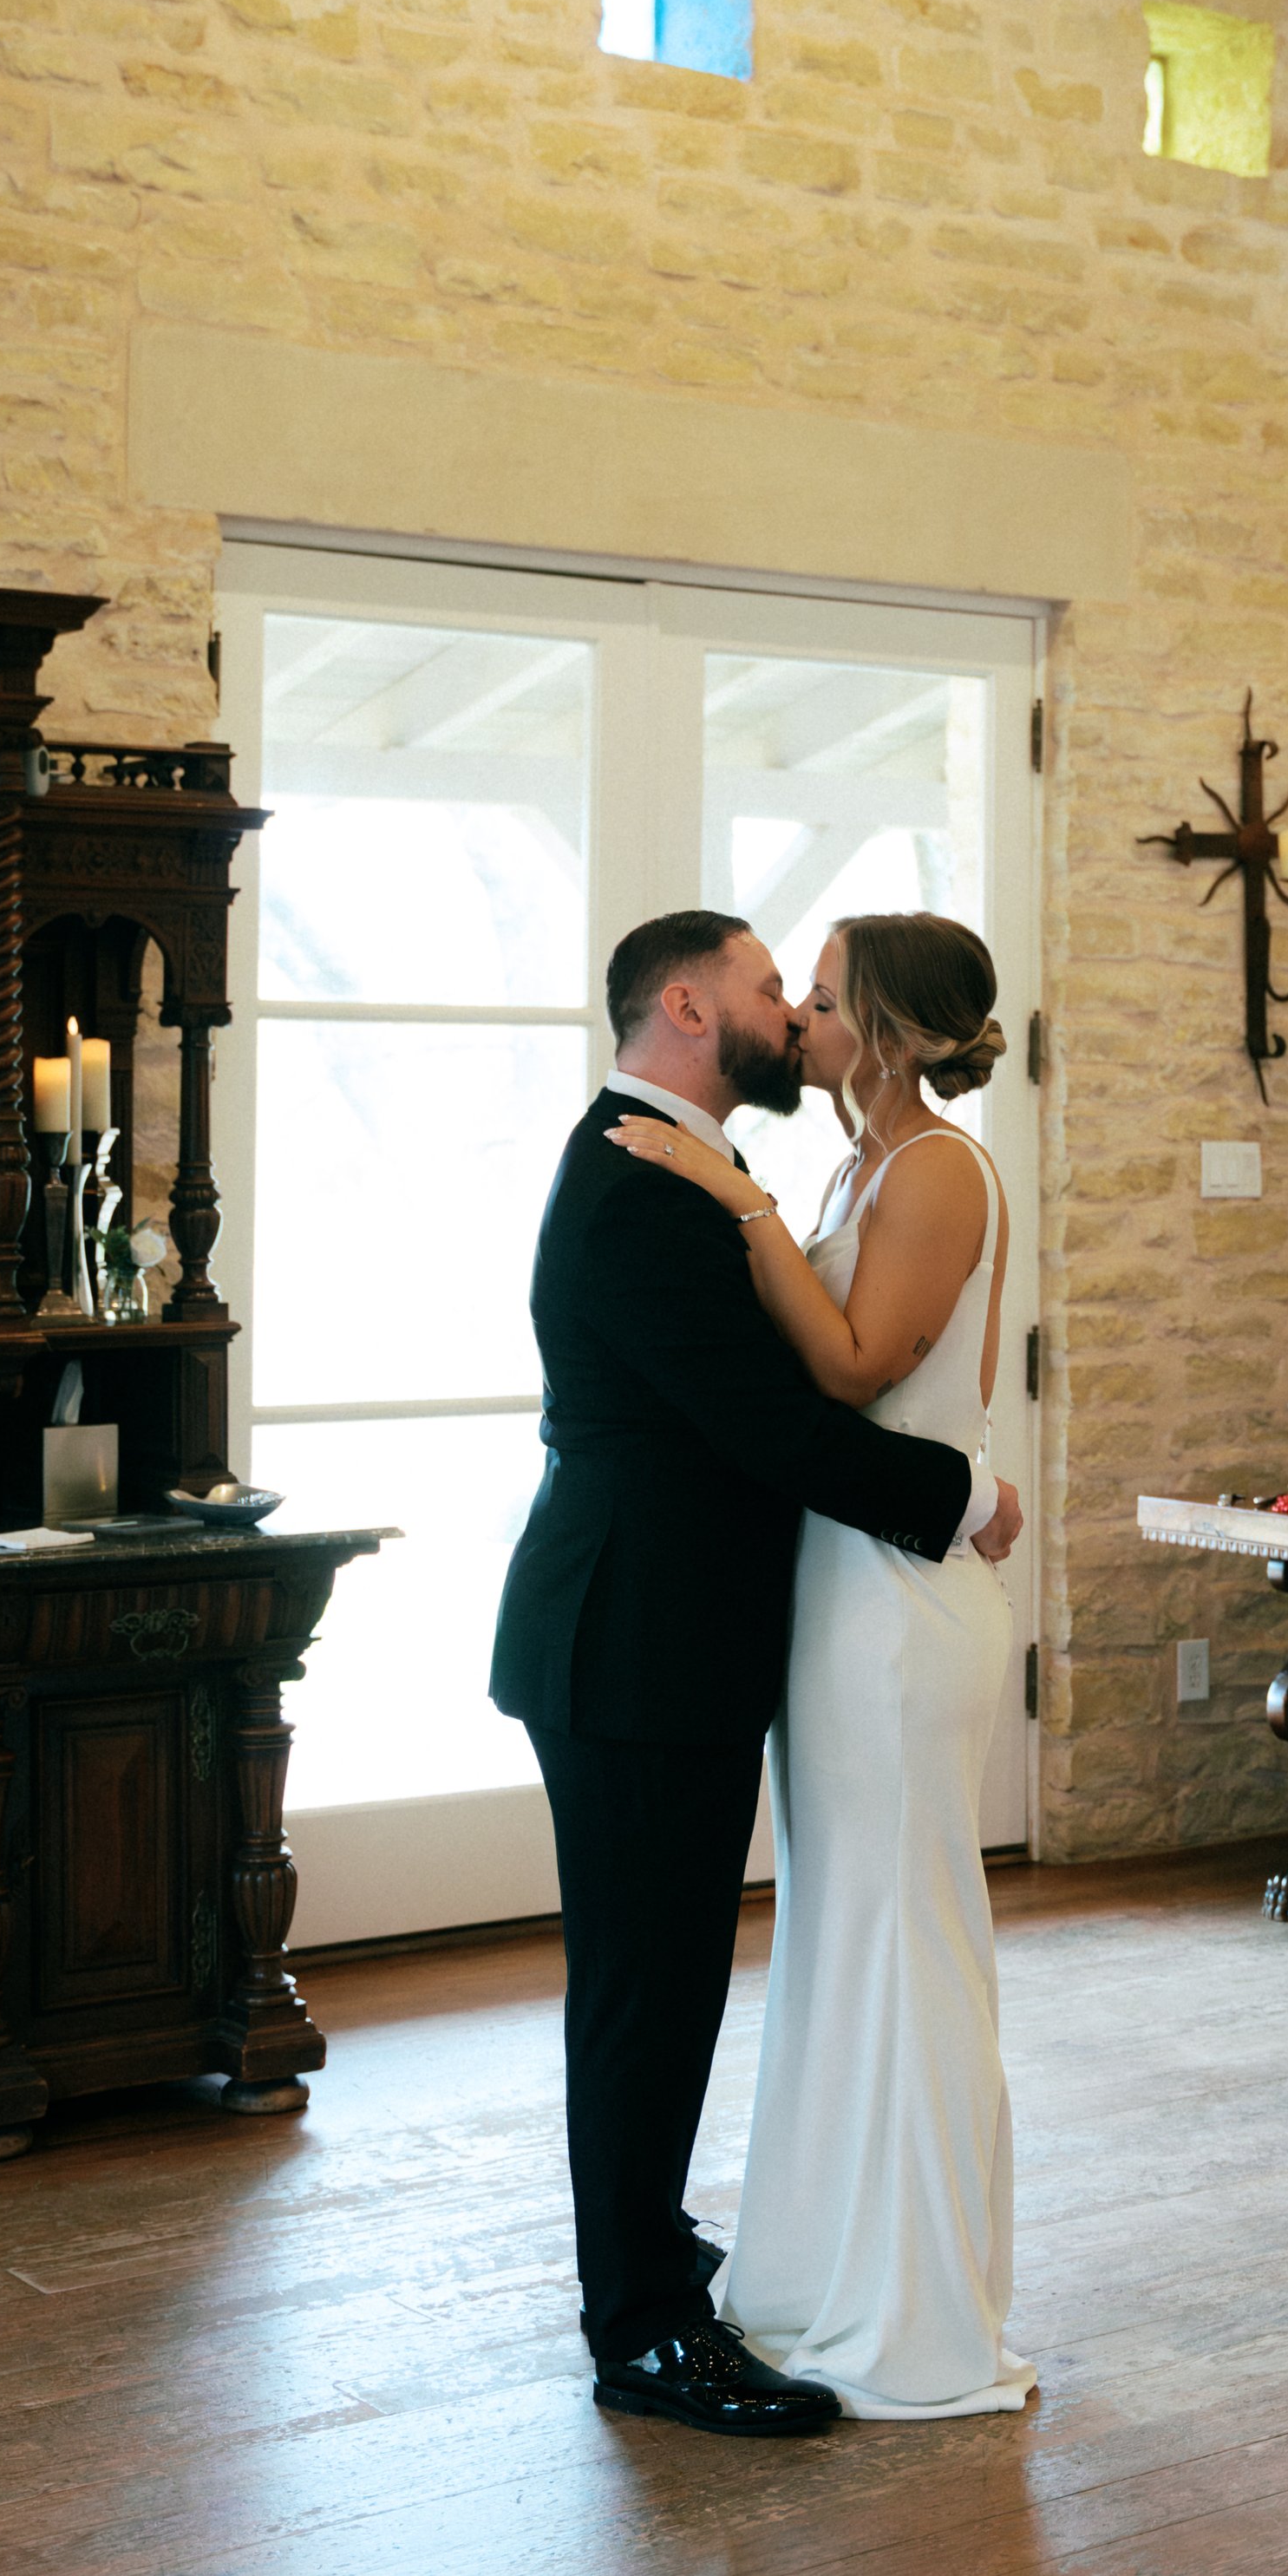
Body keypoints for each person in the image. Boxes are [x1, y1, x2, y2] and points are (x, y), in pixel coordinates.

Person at [490, 910, 1022, 2442]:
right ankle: (645, 2327)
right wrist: (962, 1502)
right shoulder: (643, 1188)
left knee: (665, 1982)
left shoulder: (688, 1170)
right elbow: (777, 1427)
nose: (793, 1013)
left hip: (678, 1639)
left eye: (812, 992)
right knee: (650, 1994)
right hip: (636, 1647)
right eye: (770, 988)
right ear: (686, 1004)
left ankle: (664, 2257)